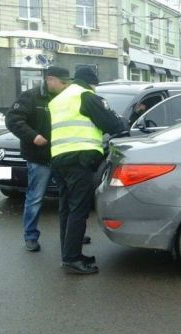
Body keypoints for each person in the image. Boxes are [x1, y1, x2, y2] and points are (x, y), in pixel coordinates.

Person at [49, 67, 127, 274]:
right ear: (91, 83)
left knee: (66, 208)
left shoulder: (59, 99)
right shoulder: (86, 96)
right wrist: (123, 124)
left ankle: (68, 252)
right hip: (79, 160)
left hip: (58, 158)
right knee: (78, 209)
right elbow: (112, 123)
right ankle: (72, 259)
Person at [5, 66, 71, 252]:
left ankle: (71, 234)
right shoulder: (31, 97)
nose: (66, 86)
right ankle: (31, 236)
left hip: (61, 156)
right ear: (50, 80)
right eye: (62, 82)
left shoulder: (64, 97)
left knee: (67, 197)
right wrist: (33, 136)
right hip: (39, 158)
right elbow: (13, 119)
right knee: (35, 198)